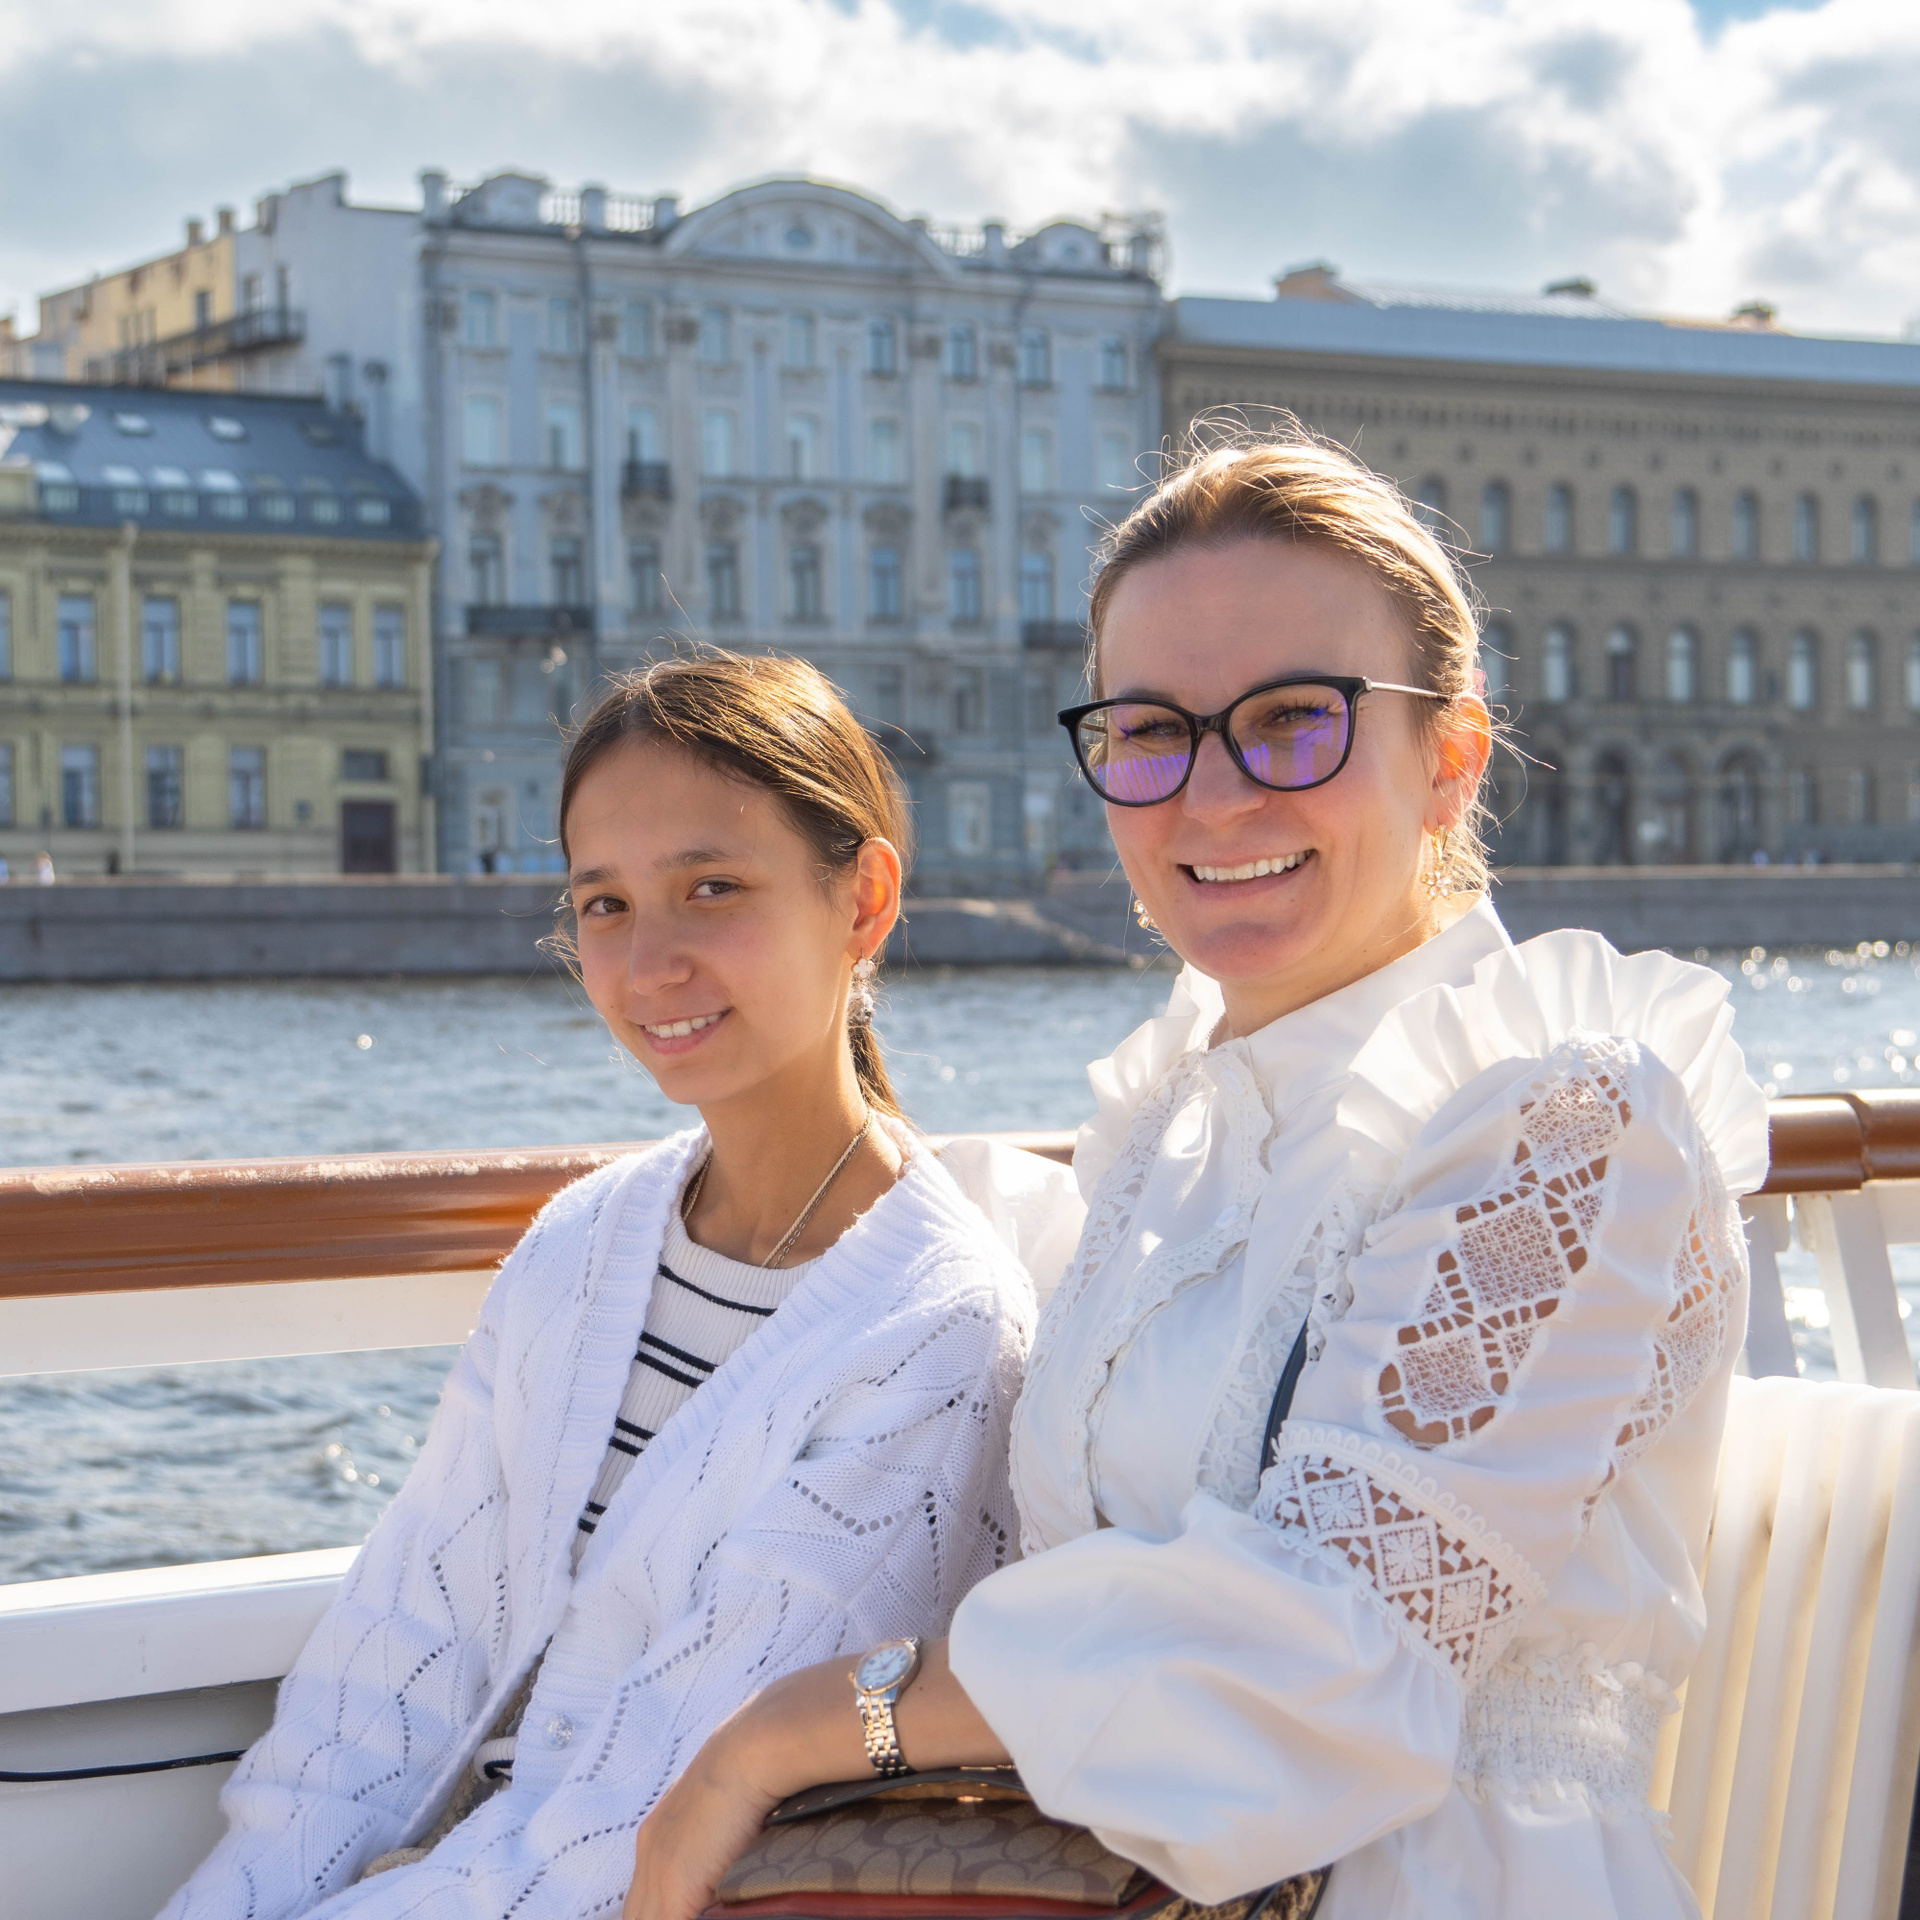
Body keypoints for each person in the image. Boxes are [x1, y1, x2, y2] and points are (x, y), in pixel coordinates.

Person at [624, 426, 1769, 1920]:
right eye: (1153, 732)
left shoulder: (1560, 1119)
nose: (1215, 799)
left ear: (1450, 758)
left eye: (1294, 722)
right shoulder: (1171, 1124)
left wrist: (790, 1735)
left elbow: (1330, 1657)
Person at [160, 653, 1037, 1920]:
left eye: (711, 888)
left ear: (864, 900)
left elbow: (646, 1820)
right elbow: (388, 1659)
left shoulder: (935, 1336)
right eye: (605, 904)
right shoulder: (582, 1244)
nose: (647, 962)